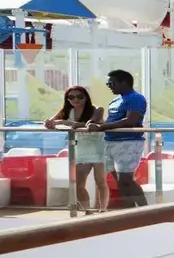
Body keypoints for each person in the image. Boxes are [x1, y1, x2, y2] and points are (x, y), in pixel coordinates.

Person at [83, 70, 147, 208]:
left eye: (111, 83)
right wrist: (95, 124)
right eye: (108, 83)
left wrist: (101, 127)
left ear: (124, 82)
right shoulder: (115, 100)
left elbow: (131, 120)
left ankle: (147, 212)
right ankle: (129, 213)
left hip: (128, 142)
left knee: (126, 180)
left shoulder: (136, 98)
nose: (109, 86)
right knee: (119, 181)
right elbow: (112, 121)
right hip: (110, 142)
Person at [45, 85, 109, 213]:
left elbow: (88, 124)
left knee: (100, 182)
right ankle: (87, 210)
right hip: (80, 150)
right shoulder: (68, 111)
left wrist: (64, 122)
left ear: (86, 97)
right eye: (71, 97)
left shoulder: (97, 109)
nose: (75, 100)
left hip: (98, 149)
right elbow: (49, 122)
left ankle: (103, 210)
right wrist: (51, 123)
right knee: (78, 184)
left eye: (80, 96)